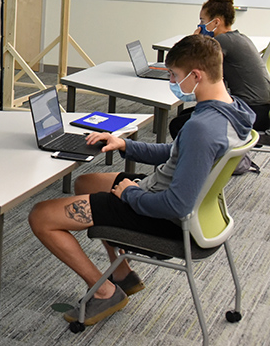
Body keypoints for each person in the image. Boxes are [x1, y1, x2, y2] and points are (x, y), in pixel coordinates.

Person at [28, 34, 254, 326]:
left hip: (161, 215)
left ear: (196, 75)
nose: (173, 82)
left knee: (40, 216)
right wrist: (125, 146)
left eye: (174, 75)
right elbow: (177, 154)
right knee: (86, 183)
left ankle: (105, 292)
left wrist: (129, 194)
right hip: (180, 202)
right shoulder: (232, 109)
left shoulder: (202, 128)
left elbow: (176, 204)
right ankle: (122, 273)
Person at [169, 0, 270, 137]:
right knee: (186, 115)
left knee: (179, 124)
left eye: (202, 21)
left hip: (251, 111)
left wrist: (194, 39)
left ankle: (200, 158)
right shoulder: (239, 37)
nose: (200, 26)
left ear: (216, 22)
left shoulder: (222, 42)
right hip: (261, 109)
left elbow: (188, 61)